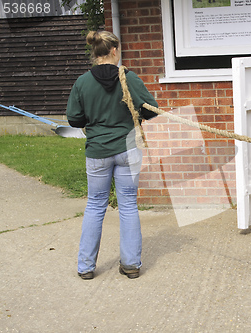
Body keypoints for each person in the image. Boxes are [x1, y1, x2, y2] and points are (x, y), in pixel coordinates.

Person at [67, 30, 158, 280]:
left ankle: (85, 267)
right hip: (128, 150)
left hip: (97, 151)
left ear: (95, 52)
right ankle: (131, 265)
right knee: (128, 205)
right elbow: (152, 111)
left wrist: (92, 117)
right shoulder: (129, 79)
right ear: (114, 51)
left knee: (95, 205)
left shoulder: (82, 82)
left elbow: (74, 119)